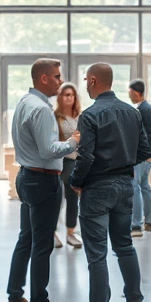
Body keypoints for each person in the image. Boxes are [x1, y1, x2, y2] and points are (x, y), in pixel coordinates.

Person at [70, 62, 151, 302]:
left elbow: (86, 155)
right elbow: (143, 151)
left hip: (96, 188)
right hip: (125, 186)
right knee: (125, 246)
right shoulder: (132, 112)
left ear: (93, 81)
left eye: (85, 80)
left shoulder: (90, 115)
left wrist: (76, 182)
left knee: (97, 254)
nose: (84, 85)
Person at [6, 58, 80, 302]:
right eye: (57, 77)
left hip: (27, 176)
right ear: (44, 78)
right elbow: (48, 150)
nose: (61, 83)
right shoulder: (42, 110)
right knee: (42, 244)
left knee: (26, 238)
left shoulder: (25, 102)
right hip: (42, 179)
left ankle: (15, 298)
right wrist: (72, 142)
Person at [127, 79, 151, 236]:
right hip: (145, 155)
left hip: (142, 156)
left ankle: (136, 225)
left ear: (136, 93)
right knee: (144, 187)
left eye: (130, 92)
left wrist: (149, 154)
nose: (129, 95)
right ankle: (149, 222)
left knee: (135, 187)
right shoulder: (143, 109)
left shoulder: (145, 110)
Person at [54, 82, 83, 248]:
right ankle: (53, 232)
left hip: (75, 161)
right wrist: (71, 139)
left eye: (72, 95)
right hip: (60, 162)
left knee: (73, 197)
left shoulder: (80, 117)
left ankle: (71, 233)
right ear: (60, 97)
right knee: (57, 198)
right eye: (66, 95)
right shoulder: (55, 117)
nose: (69, 98)